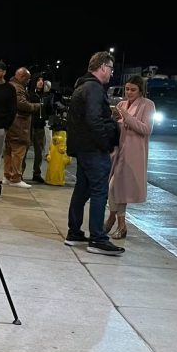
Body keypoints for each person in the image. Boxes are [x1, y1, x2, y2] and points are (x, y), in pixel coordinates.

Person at [64, 51, 125, 256]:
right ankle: (97, 238)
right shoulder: (94, 88)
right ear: (103, 67)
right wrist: (106, 144)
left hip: (83, 148)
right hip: (93, 149)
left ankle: (74, 232)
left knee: (82, 189)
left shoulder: (82, 85)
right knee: (99, 191)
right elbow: (94, 120)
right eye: (111, 69)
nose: (111, 73)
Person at [105, 75, 155, 238]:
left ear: (140, 90)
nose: (129, 92)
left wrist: (127, 117)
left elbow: (146, 129)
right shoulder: (121, 104)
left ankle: (117, 221)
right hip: (119, 150)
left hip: (134, 153)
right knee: (114, 187)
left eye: (133, 89)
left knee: (118, 187)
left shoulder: (147, 105)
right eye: (127, 89)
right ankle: (117, 221)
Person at [3, 67, 41, 187]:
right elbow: (22, 104)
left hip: (11, 124)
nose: (28, 81)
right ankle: (16, 178)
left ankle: (7, 176)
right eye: (28, 79)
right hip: (19, 125)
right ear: (23, 77)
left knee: (9, 151)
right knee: (18, 152)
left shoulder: (10, 85)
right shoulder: (18, 87)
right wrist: (37, 106)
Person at [27, 75, 51, 182]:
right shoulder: (29, 94)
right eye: (38, 80)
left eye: (42, 80)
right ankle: (20, 172)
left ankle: (36, 173)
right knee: (24, 150)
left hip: (40, 127)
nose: (41, 82)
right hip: (29, 125)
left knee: (39, 152)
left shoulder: (46, 96)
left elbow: (50, 110)